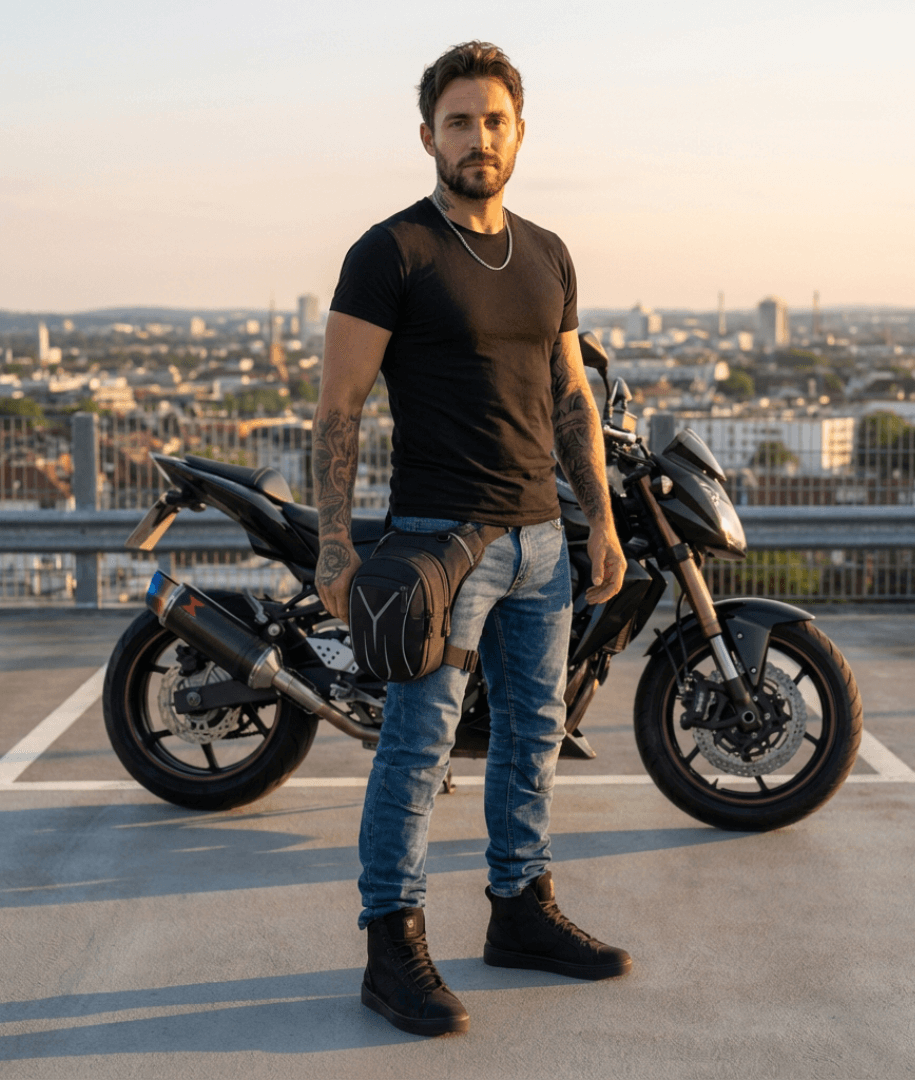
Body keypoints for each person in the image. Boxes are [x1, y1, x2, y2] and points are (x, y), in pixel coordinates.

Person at [313, 41, 631, 1037]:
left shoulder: (547, 253)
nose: (478, 137)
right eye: (459, 121)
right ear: (428, 137)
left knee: (533, 737)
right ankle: (390, 944)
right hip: (442, 544)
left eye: (494, 120)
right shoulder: (392, 252)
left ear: (519, 134)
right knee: (416, 751)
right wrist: (335, 546)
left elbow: (571, 395)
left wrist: (601, 519)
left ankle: (520, 911)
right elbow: (339, 408)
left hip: (541, 540)